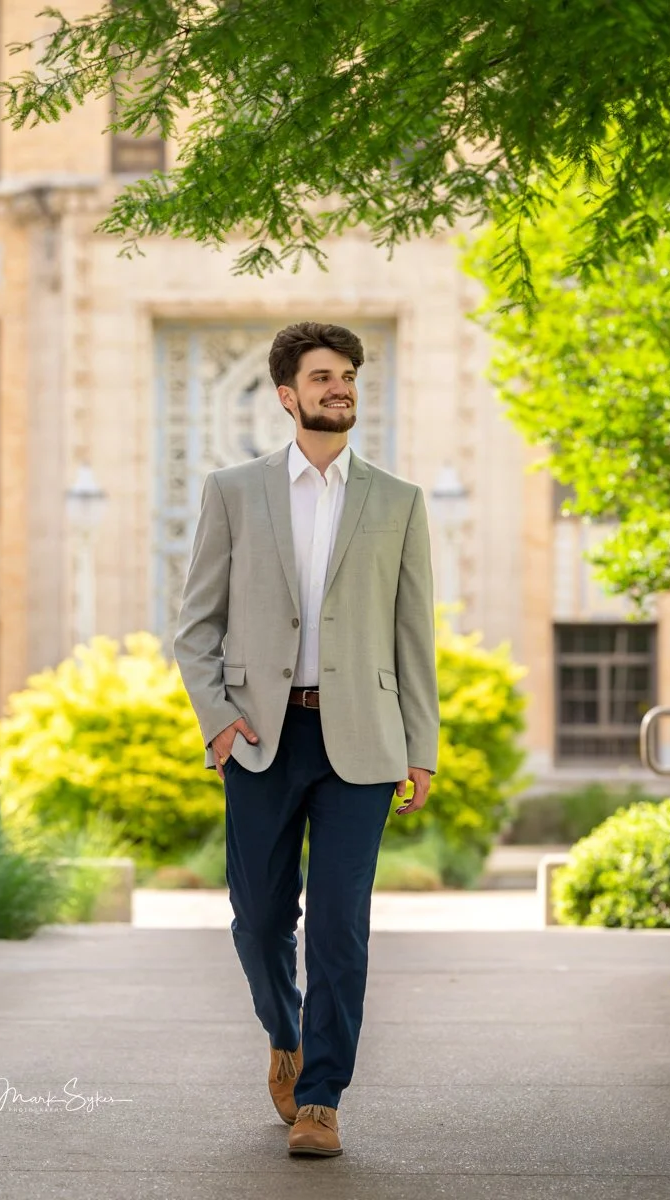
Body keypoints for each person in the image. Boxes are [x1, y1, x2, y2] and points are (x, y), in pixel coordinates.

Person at [174, 321, 439, 1158]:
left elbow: (413, 635)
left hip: (363, 737)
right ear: (287, 394)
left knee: (337, 926)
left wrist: (421, 746)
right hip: (261, 736)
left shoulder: (398, 501)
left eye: (349, 375)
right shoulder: (233, 491)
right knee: (258, 920)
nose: (341, 387)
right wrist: (219, 719)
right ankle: (284, 1033)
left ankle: (321, 1098)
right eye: (324, 376)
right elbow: (195, 627)